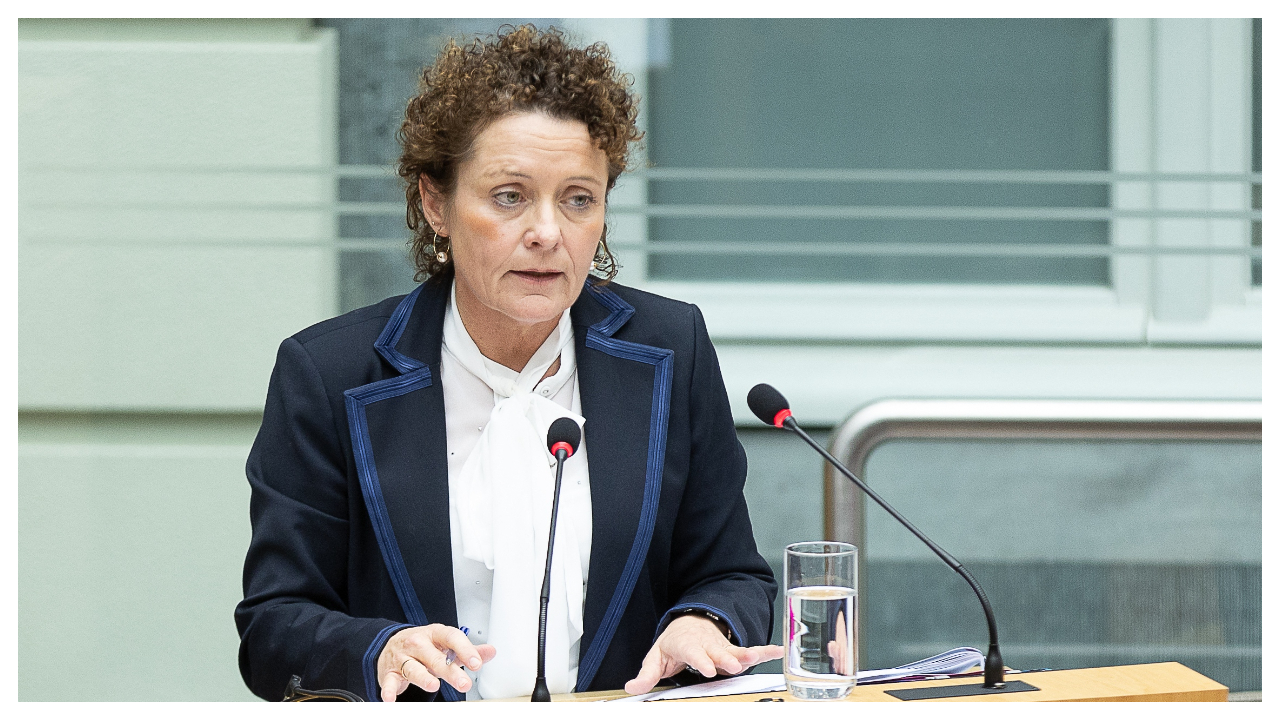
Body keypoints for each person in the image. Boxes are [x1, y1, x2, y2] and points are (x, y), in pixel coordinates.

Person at [235, 25, 781, 702]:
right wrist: (379, 650)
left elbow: (734, 575)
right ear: (435, 203)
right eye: (509, 196)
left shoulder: (670, 349)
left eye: (578, 199)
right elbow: (274, 628)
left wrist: (703, 621)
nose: (547, 233)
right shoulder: (330, 374)